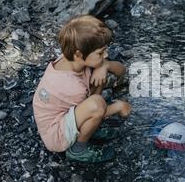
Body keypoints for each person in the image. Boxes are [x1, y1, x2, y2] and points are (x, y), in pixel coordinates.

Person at [32, 15, 132, 163]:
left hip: (62, 115)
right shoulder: (73, 87)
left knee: (97, 83)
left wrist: (105, 65)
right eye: (100, 53)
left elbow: (122, 70)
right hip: (55, 135)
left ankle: (91, 130)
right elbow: (96, 108)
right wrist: (119, 107)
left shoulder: (69, 58)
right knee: (96, 104)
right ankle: (78, 150)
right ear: (79, 54)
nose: (106, 55)